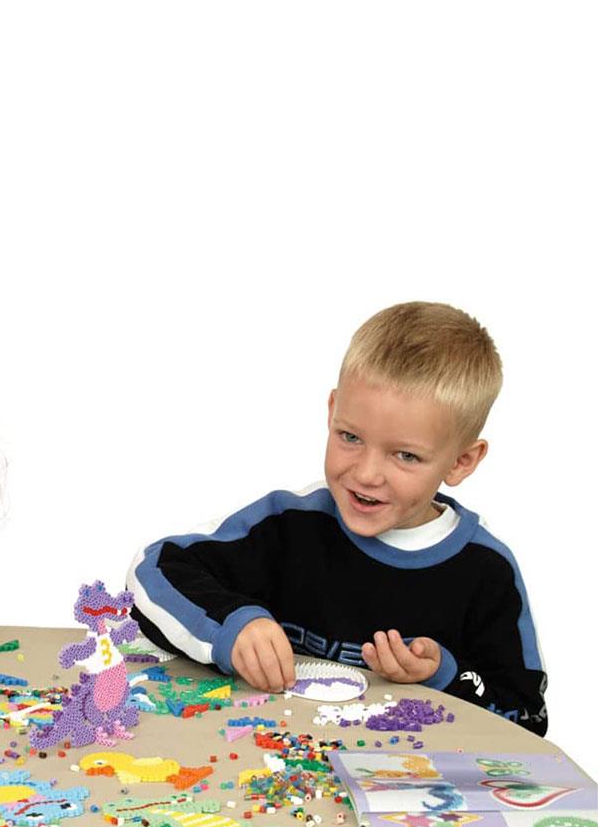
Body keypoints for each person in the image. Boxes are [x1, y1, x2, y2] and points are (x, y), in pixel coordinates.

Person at [127, 302, 547, 735]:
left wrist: (445, 674)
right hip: (262, 756)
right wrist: (230, 627)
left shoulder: (488, 572)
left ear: (461, 461)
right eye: (350, 436)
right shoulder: (289, 524)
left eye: (405, 455)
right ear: (331, 411)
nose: (366, 474)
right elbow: (152, 569)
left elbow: (528, 718)